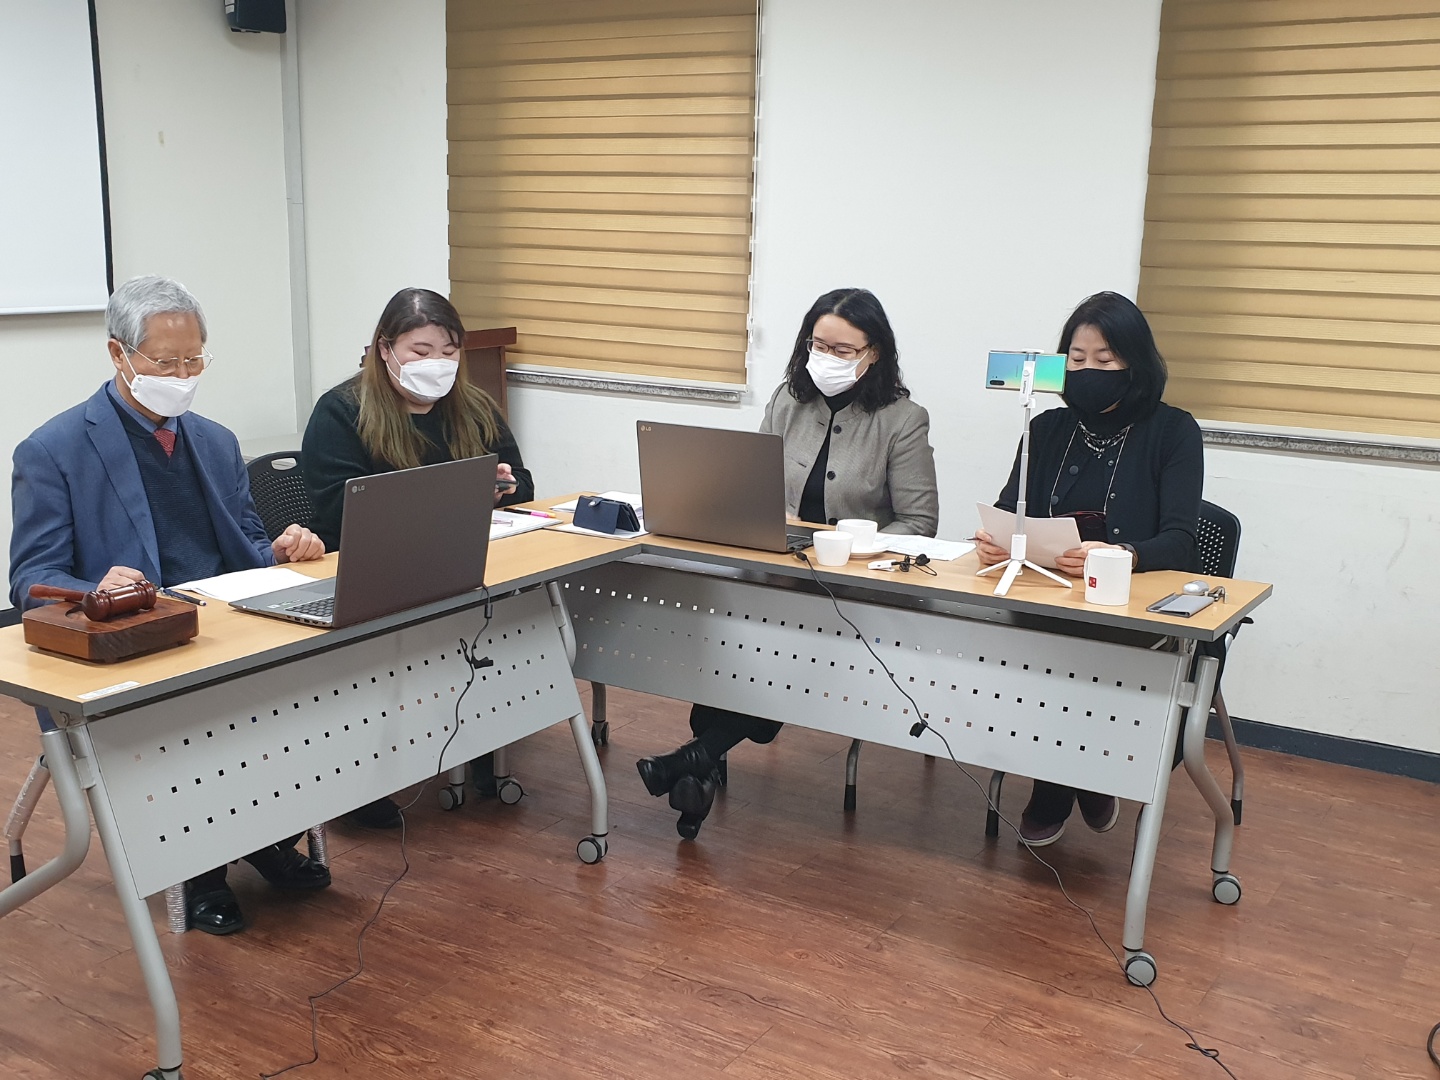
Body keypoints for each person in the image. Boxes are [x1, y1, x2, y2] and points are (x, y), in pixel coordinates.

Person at [10, 275, 333, 934]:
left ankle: (266, 836)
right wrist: (95, 591)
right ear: (118, 354)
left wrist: (282, 548)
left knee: (303, 690)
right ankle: (202, 869)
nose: (183, 377)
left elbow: (246, 544)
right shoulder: (53, 450)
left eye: (194, 361)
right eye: (165, 363)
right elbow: (30, 580)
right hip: (138, 643)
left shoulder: (213, 440)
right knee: (197, 719)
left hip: (223, 624)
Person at [635, 287, 939, 840]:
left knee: (778, 650)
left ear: (874, 353)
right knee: (725, 640)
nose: (827, 357)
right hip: (774, 570)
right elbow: (751, 481)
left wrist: (848, 545)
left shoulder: (902, 419)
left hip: (848, 590)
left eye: (843, 350)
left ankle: (695, 761)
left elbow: (919, 524)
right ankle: (700, 761)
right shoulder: (786, 401)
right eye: (818, 345)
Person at [974, 290, 1203, 846]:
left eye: (1105, 359)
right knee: (1030, 653)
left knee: (1080, 659)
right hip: (1045, 603)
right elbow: (1009, 509)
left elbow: (1182, 541)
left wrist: (1123, 555)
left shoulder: (1173, 431)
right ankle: (1082, 778)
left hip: (1126, 613)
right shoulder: (1046, 429)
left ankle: (1060, 785)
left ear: (1136, 362)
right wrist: (996, 541)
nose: (1088, 370)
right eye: (1076, 358)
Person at [302, 287, 533, 825]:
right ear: (385, 349)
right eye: (421, 351)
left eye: (449, 352)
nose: (438, 364)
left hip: (455, 560)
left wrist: (503, 486)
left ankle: (482, 738)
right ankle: (360, 781)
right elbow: (340, 507)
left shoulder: (473, 406)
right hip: (369, 571)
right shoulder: (343, 411)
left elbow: (522, 481)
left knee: (514, 613)